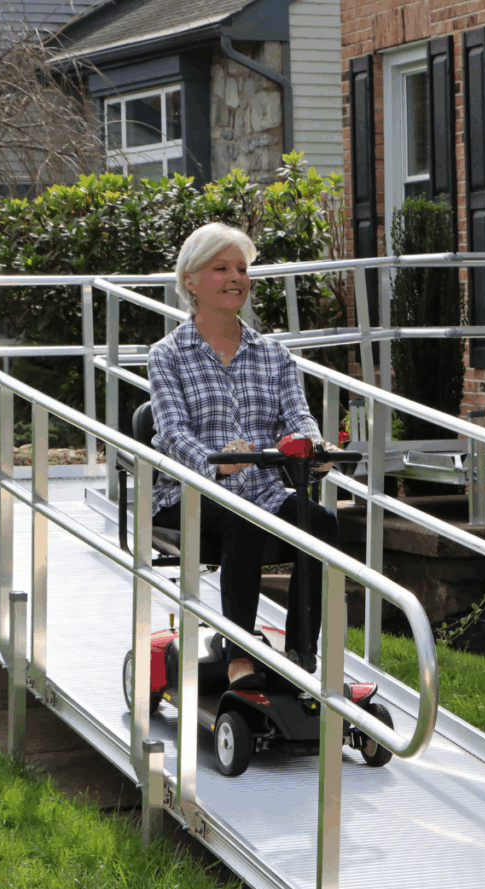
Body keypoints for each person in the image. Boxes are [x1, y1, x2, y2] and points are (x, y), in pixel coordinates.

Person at [147, 222, 341, 686]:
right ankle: (240, 655)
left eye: (241, 268)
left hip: (264, 489)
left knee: (323, 524)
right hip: (192, 493)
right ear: (190, 281)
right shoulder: (167, 355)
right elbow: (172, 433)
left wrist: (314, 448)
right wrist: (216, 460)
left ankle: (300, 655)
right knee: (243, 519)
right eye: (221, 268)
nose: (236, 277)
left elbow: (299, 418)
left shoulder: (273, 356)